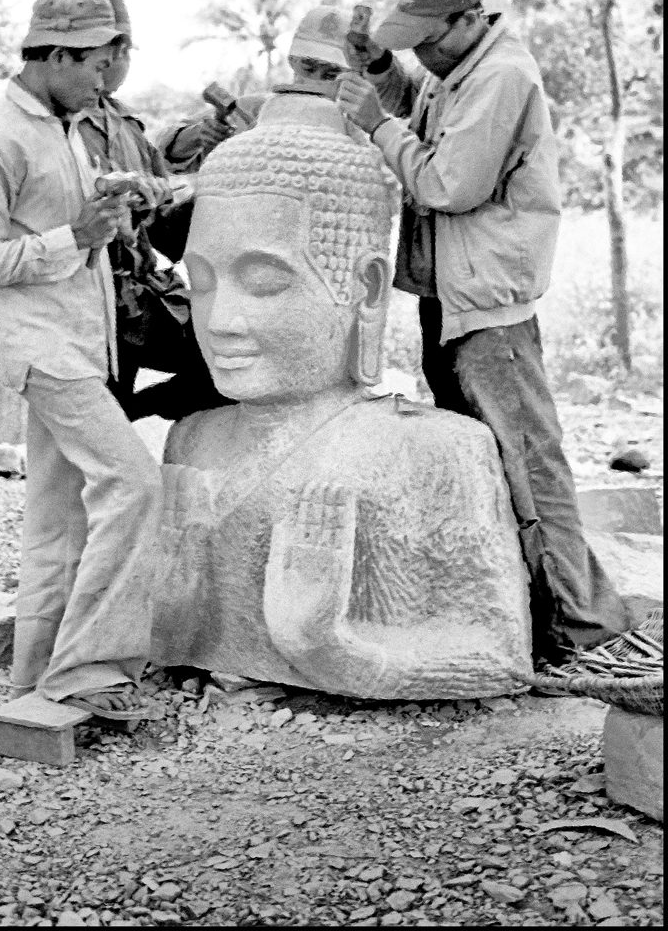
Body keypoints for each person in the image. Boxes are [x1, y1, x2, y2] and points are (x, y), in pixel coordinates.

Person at [147, 99, 534, 699]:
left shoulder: (438, 450)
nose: (220, 319)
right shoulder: (194, 438)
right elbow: (167, 639)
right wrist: (173, 611)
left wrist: (333, 650)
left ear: (367, 288)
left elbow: (500, 658)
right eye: (202, 281)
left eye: (266, 282)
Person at [335, 0, 633, 667]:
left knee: (529, 464)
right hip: (453, 295)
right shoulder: (460, 68)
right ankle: (528, 618)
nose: (422, 55)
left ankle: (586, 628)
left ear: (471, 18)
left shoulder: (501, 76)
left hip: (488, 305)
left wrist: (376, 125)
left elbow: (447, 183)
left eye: (428, 40)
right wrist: (384, 70)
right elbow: (422, 112)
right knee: (485, 465)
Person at [0, 0, 164, 719]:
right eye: (100, 65)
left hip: (75, 342)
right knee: (136, 485)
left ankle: (34, 681)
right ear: (58, 56)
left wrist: (111, 207)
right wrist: (71, 237)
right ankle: (89, 669)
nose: (107, 82)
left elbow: (68, 224)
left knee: (58, 519)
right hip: (44, 351)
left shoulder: (66, 126)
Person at [74, 0, 232, 422]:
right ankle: (119, 420)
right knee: (93, 439)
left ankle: (133, 414)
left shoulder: (125, 124)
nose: (116, 61)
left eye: (119, 51)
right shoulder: (56, 127)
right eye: (108, 52)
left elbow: (162, 209)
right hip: (94, 298)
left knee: (228, 365)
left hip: (146, 294)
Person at [154, 5, 356, 173]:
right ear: (293, 62)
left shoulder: (358, 129)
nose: (315, 80)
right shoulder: (250, 110)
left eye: (331, 74)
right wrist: (201, 134)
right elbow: (165, 155)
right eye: (308, 68)